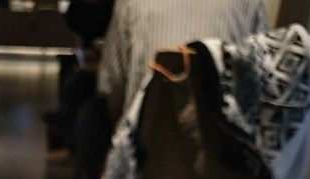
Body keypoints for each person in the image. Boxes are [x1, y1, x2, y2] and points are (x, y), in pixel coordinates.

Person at [98, 0, 270, 123]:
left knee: (93, 117)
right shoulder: (251, 3)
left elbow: (111, 90)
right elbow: (264, 90)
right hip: (221, 151)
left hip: (145, 150)